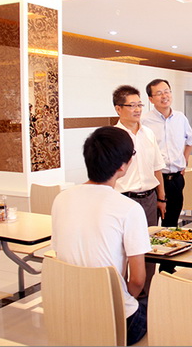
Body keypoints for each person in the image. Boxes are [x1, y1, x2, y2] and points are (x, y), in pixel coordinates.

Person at [51, 126, 150, 345]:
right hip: (115, 319)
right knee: (158, 308)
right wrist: (122, 298)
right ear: (123, 166)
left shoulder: (61, 199)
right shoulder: (129, 208)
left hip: (69, 314)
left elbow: (59, 253)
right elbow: (137, 280)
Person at [112, 85, 166, 297]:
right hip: (123, 200)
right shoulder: (113, 137)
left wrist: (162, 198)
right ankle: (123, 296)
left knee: (148, 249)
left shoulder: (148, 133)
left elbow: (157, 168)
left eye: (139, 105)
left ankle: (145, 297)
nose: (137, 109)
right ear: (118, 109)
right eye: (131, 105)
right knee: (122, 251)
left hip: (149, 199)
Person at [141, 79, 192, 228]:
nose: (164, 96)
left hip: (176, 180)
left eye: (167, 91)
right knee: (152, 224)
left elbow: (190, 140)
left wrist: (184, 161)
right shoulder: (144, 121)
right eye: (159, 93)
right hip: (154, 181)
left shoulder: (180, 118)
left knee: (171, 224)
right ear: (151, 99)